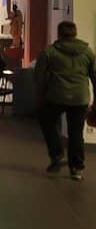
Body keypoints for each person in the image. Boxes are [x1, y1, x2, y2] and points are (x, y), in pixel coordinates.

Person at [35, 21, 96, 180]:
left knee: (46, 119)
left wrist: (41, 96)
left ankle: (57, 154)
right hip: (80, 98)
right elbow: (95, 77)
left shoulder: (49, 51)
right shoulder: (88, 52)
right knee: (76, 132)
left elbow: (39, 76)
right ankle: (76, 168)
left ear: (59, 33)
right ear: (75, 33)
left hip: (56, 96)